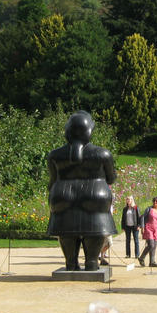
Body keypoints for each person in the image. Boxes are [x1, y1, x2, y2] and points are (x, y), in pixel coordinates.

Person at [47, 111, 116, 271]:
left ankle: (71, 262)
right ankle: (91, 261)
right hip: (95, 195)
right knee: (95, 229)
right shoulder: (103, 154)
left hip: (62, 195)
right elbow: (111, 178)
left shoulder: (55, 156)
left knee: (66, 231)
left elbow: (53, 180)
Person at [137, 197, 157, 268]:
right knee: (151, 245)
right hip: (148, 228)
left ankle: (152, 262)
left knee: (154, 246)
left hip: (156, 231)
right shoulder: (149, 209)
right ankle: (141, 258)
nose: (155, 202)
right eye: (154, 201)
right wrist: (142, 227)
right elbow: (143, 218)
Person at [120, 196, 141, 262]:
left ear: (132, 200)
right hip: (127, 226)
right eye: (127, 199)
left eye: (129, 199)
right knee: (127, 240)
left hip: (135, 226)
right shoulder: (125, 209)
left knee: (136, 240)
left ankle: (137, 254)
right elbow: (123, 218)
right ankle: (128, 254)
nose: (128, 200)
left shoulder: (135, 208)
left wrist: (139, 225)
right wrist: (122, 227)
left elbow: (139, 217)